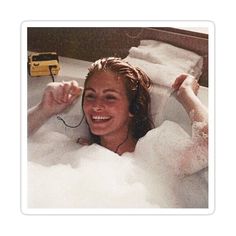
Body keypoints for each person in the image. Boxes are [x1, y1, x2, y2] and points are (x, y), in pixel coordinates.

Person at [28, 57, 208, 158]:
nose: (97, 106)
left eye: (110, 97)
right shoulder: (79, 150)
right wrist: (44, 109)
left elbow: (210, 146)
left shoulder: (154, 160)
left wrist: (186, 94)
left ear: (133, 108)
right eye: (90, 95)